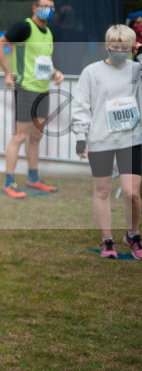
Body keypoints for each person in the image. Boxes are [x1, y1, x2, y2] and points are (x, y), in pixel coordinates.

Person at [71, 25, 142, 259]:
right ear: (106, 46)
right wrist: (81, 136)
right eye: (114, 47)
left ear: (132, 47)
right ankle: (107, 240)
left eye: (125, 48)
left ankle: (133, 235)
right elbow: (81, 105)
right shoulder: (91, 72)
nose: (119, 51)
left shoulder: (137, 70)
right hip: (101, 139)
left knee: (132, 193)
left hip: (131, 139)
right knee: (102, 191)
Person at [0, 0, 65, 198]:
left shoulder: (48, 32)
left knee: (37, 136)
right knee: (20, 136)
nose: (48, 11)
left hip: (43, 90)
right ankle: (9, 182)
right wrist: (8, 73)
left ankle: (33, 179)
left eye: (52, 7)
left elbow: (44, 61)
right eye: (44, 6)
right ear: (34, 8)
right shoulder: (24, 27)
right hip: (25, 89)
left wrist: (56, 72)